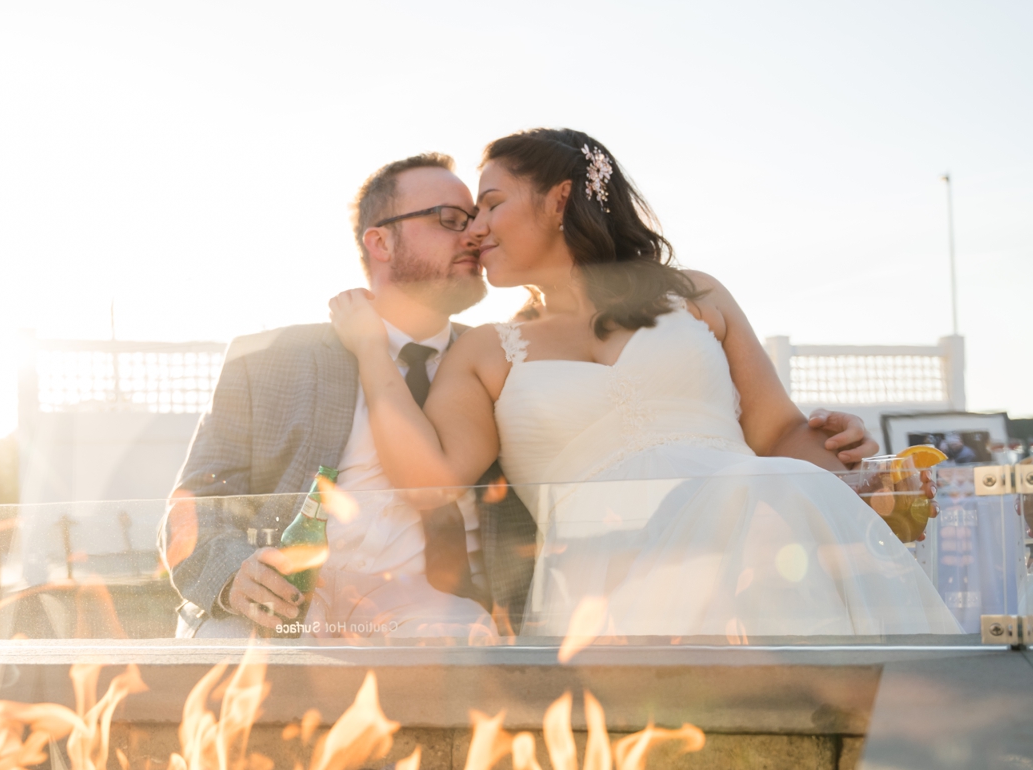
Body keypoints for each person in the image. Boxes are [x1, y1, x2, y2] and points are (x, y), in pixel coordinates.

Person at [164, 151, 883, 640]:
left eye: (480, 213)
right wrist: (229, 575)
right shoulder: (275, 361)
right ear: (379, 244)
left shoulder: (495, 355)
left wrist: (835, 455)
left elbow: (741, 430)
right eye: (450, 219)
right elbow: (192, 503)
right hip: (297, 619)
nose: (474, 233)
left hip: (459, 627)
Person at [329, 128, 959, 638]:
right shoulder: (484, 352)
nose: (475, 229)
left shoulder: (699, 295)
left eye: (491, 204)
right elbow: (431, 484)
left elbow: (778, 432)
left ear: (558, 200)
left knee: (772, 486)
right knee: (766, 490)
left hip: (755, 545)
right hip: (608, 585)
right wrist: (371, 353)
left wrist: (851, 459)